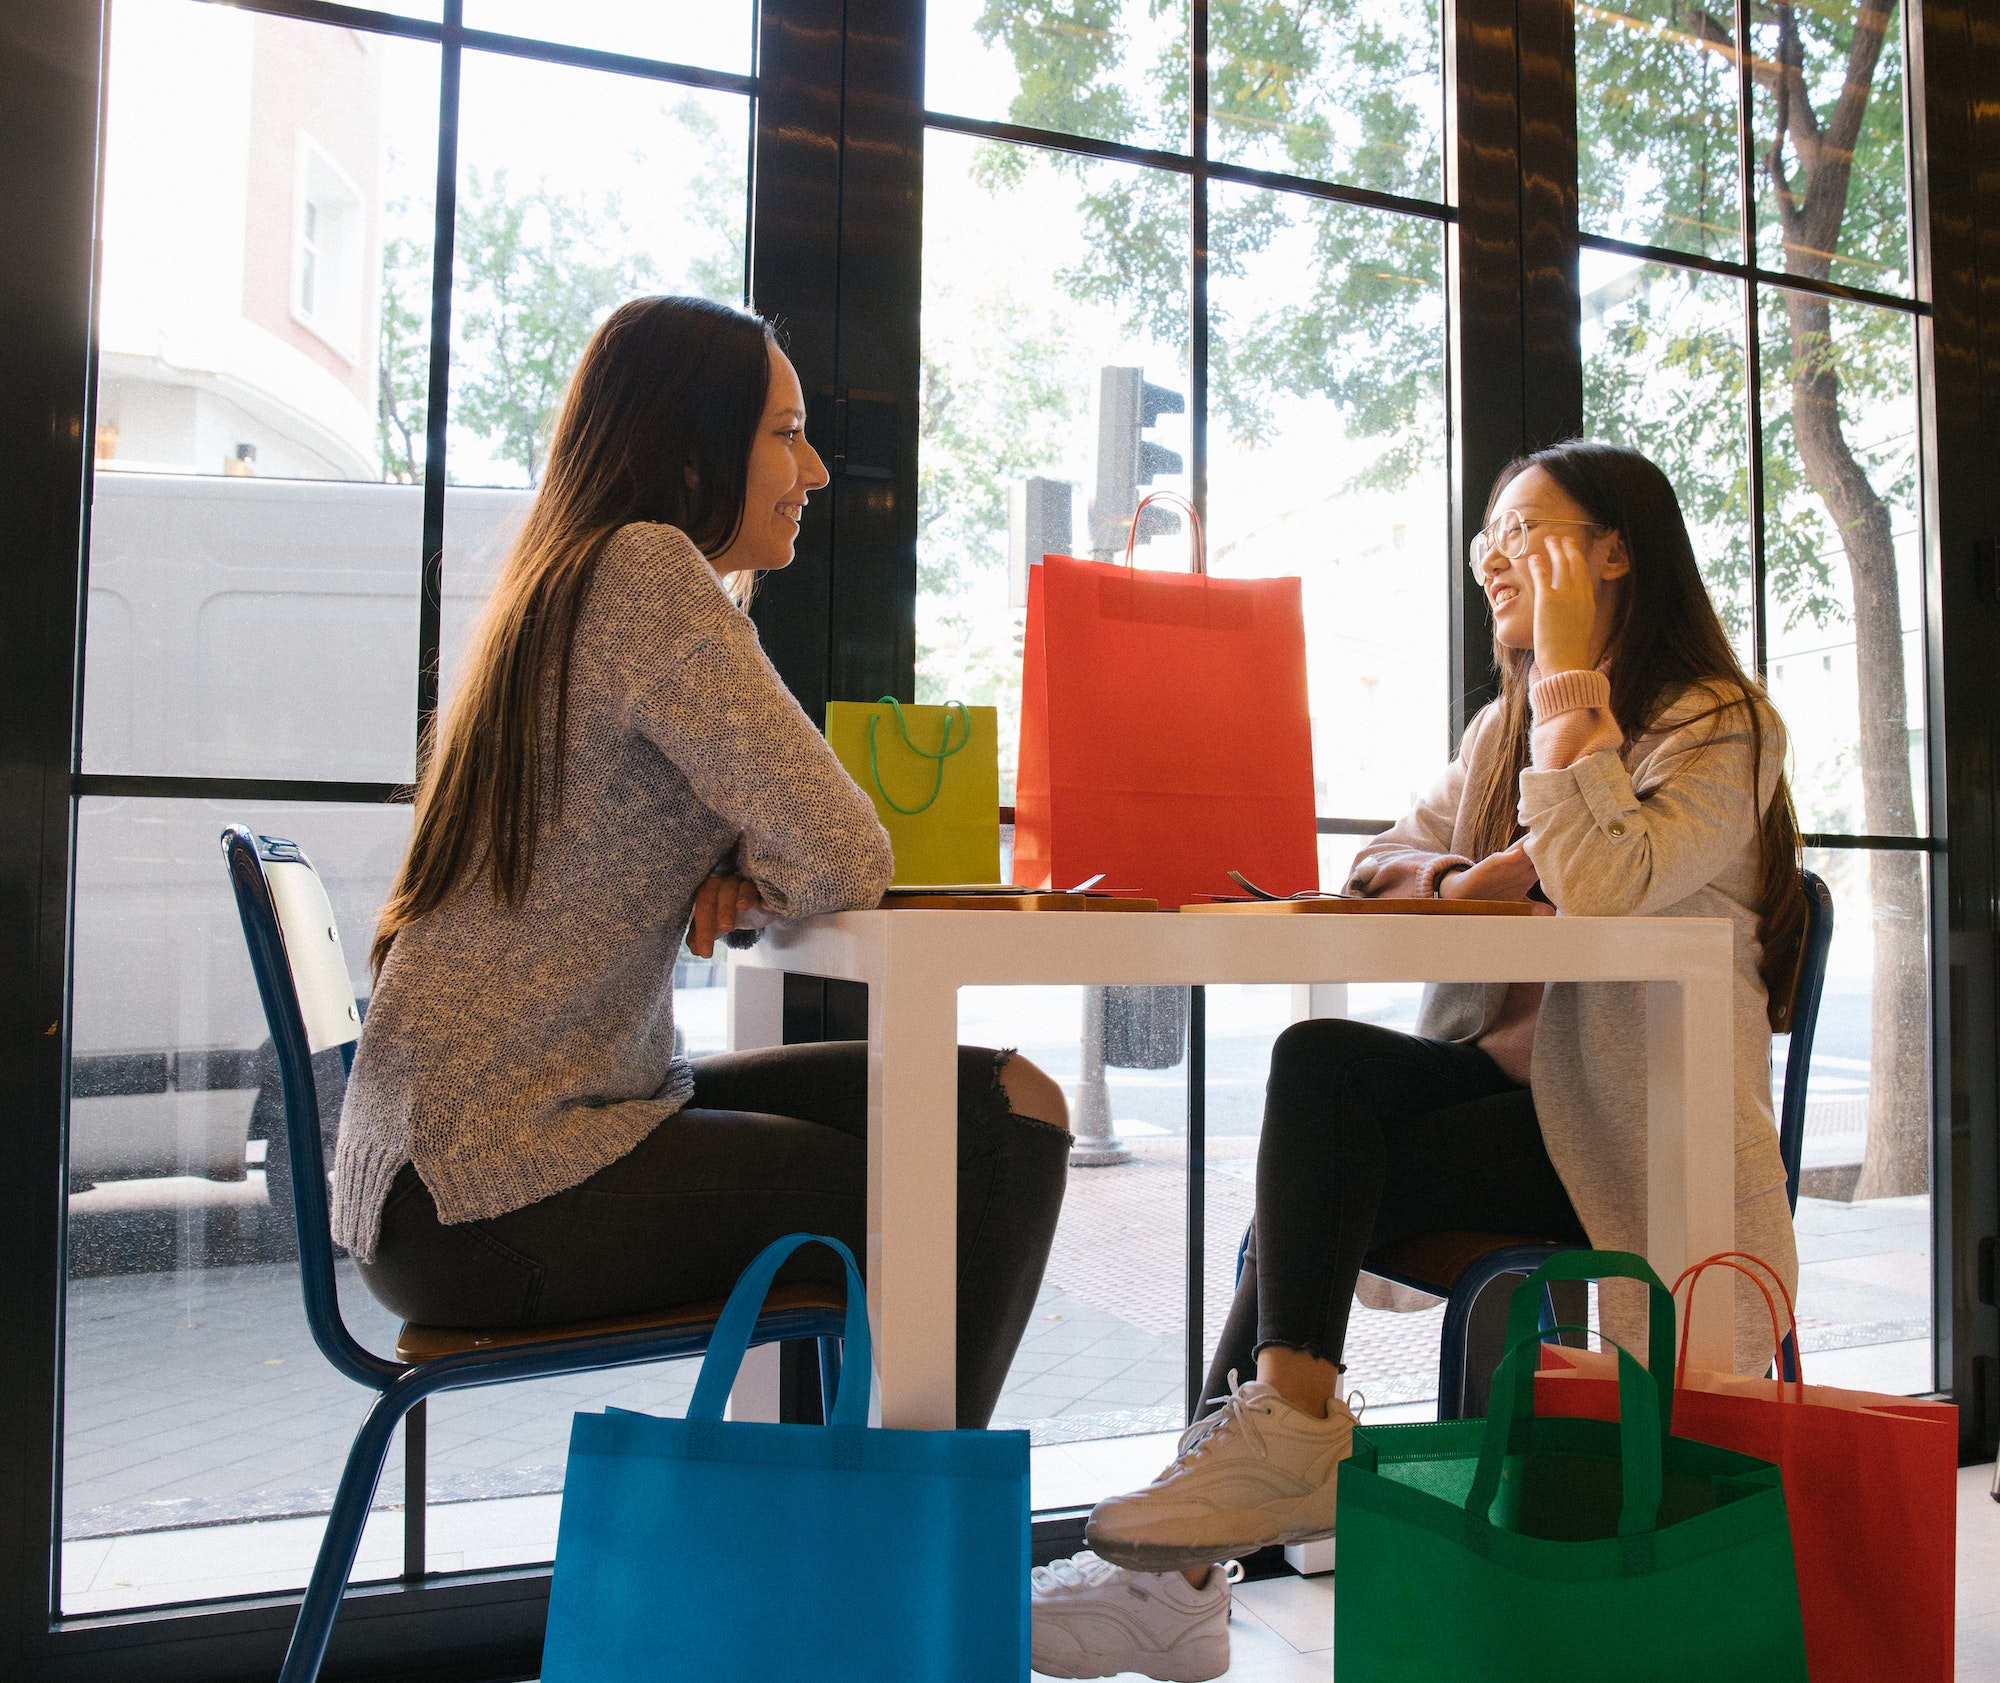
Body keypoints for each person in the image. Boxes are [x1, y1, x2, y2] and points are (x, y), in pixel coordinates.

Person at [1032, 439, 1808, 1681]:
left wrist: (1566, 691)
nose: (1491, 557)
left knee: (1317, 1199)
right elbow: (1375, 861)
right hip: (1504, 1103)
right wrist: (1475, 873)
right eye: (1483, 536)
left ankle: (1188, 1573)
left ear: (1614, 550)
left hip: (1627, 1131)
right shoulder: (1499, 727)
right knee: (1319, 1068)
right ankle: (1276, 1442)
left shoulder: (1716, 724)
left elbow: (1604, 886)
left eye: (1523, 531)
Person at [332, 295, 1071, 1429]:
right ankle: (902, 1562)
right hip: (496, 1188)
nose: (815, 468)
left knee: (1009, 1102)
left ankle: (879, 1545)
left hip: (466, 1169)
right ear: (687, 449)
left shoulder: (573, 580)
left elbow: (764, 839)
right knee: (966, 1166)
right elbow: (841, 848)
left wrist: (737, 862)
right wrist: (764, 862)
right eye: (783, 432)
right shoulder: (645, 573)